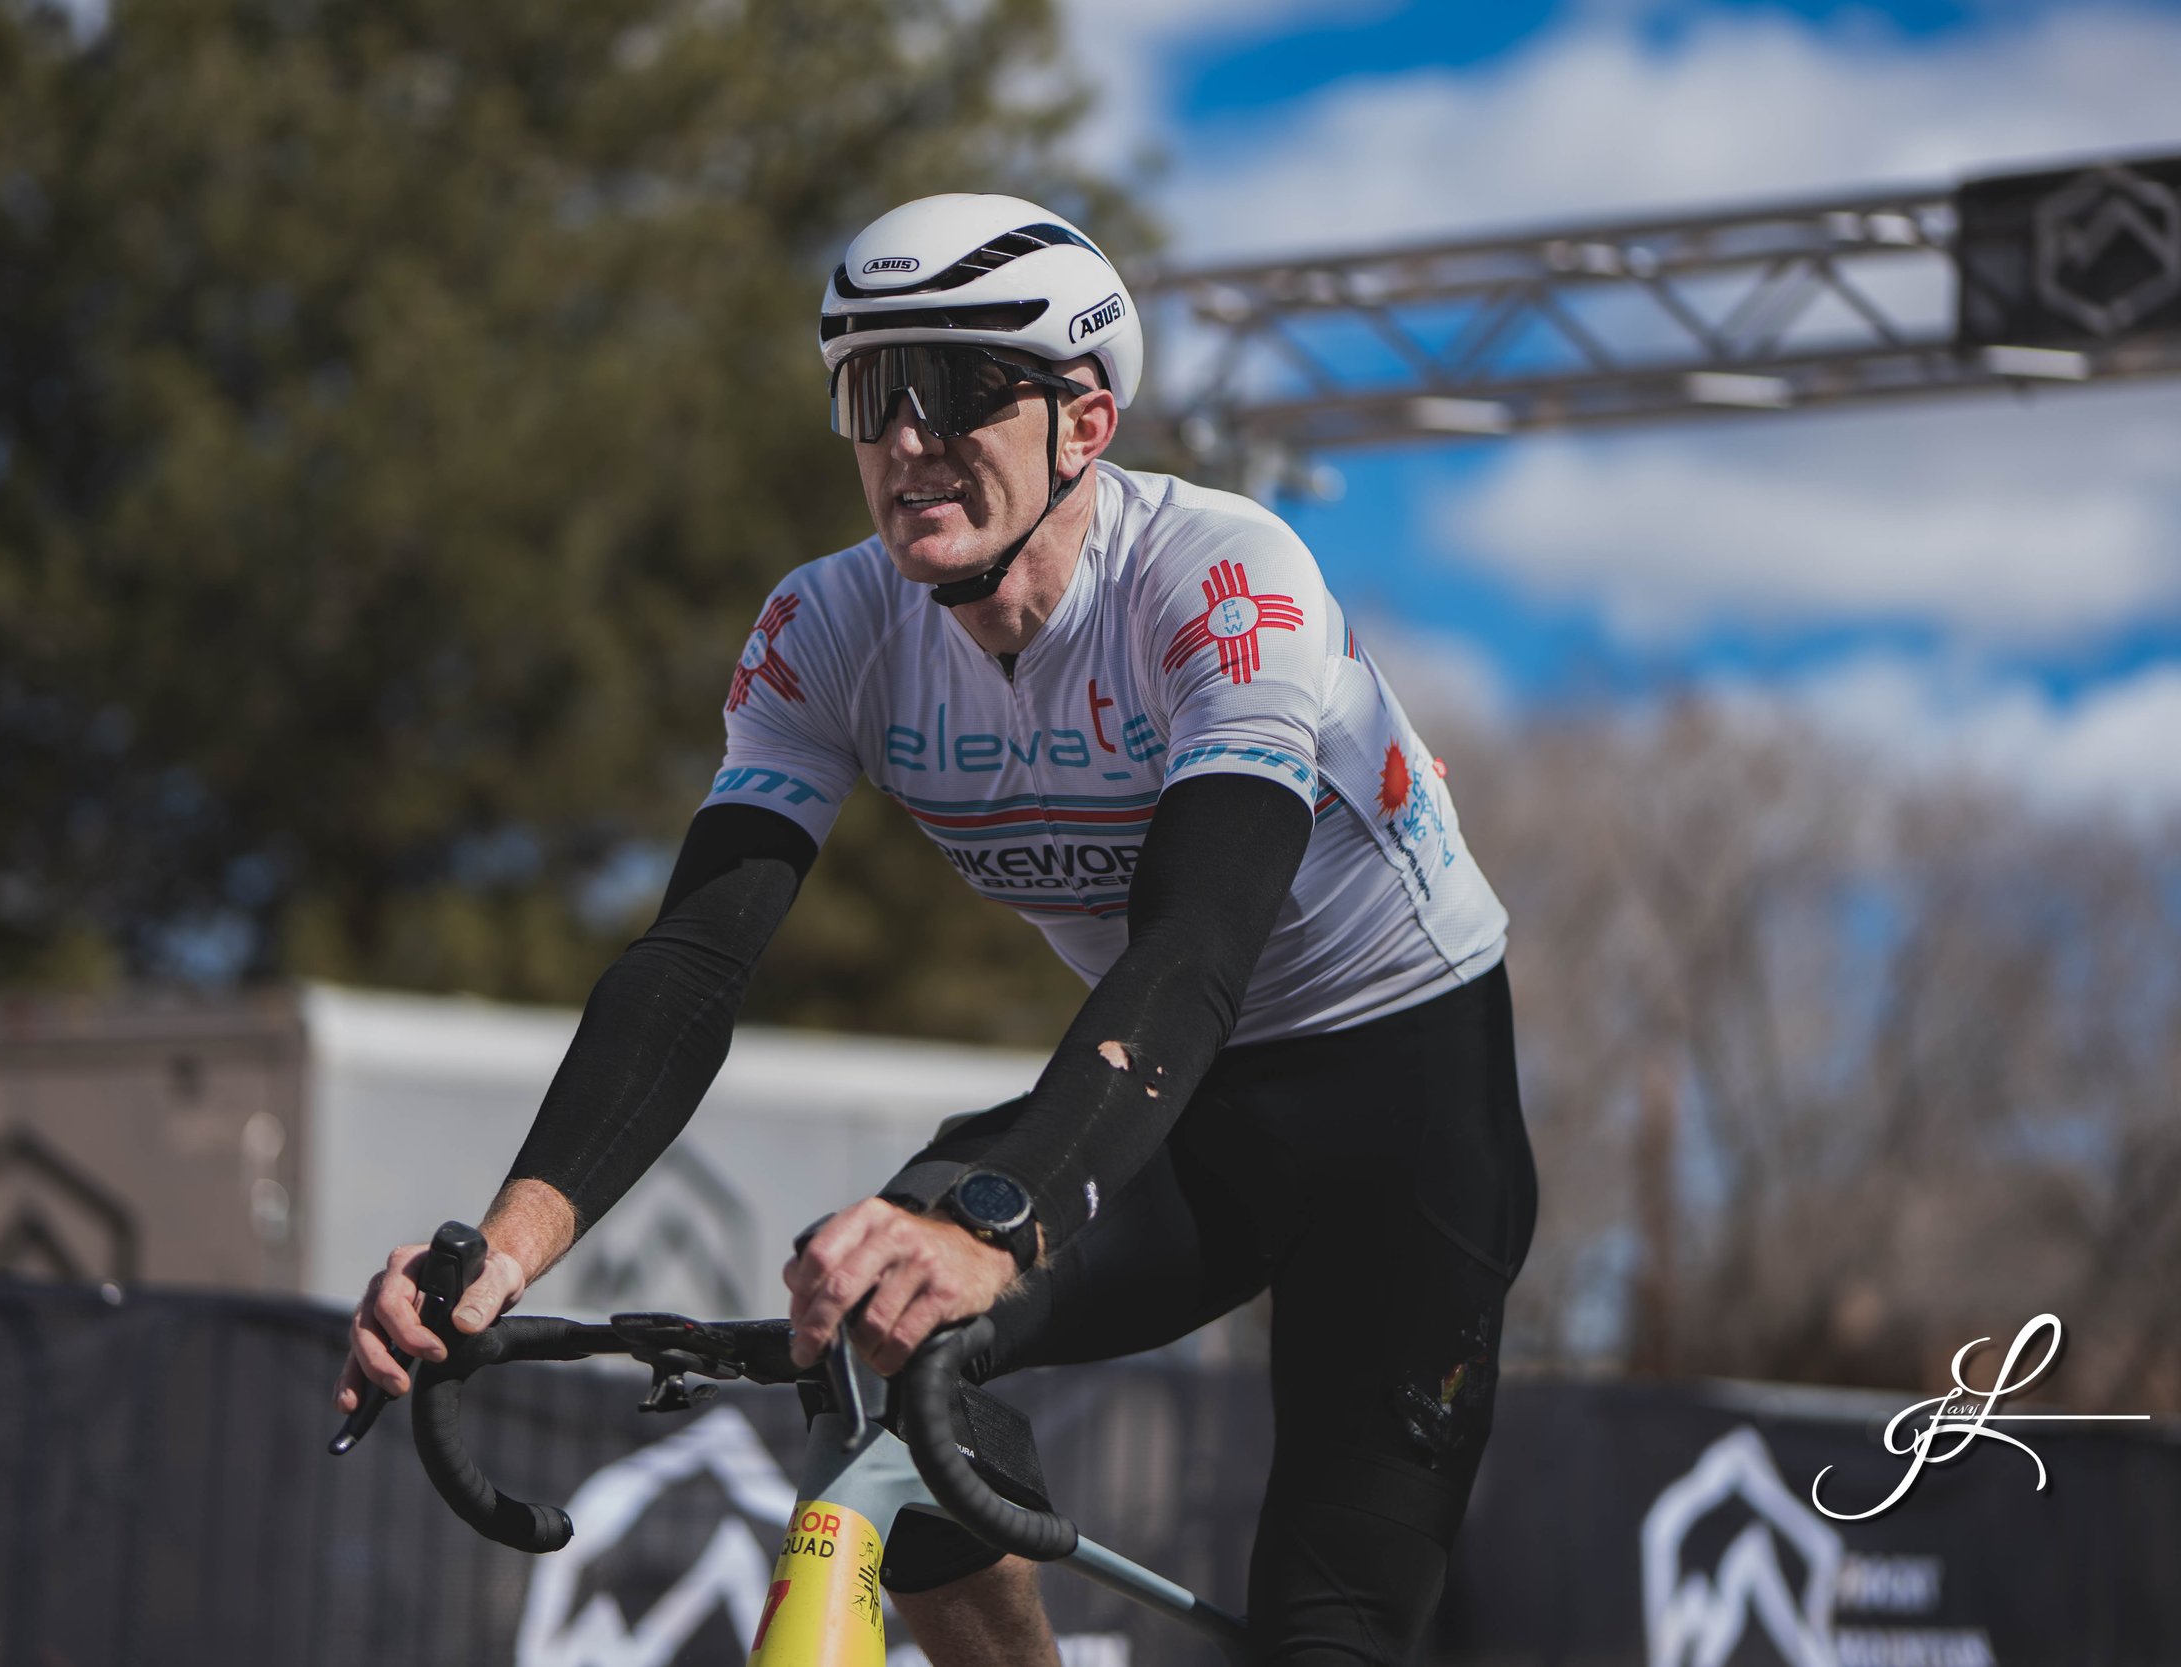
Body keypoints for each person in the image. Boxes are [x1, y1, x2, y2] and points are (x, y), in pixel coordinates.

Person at [334, 193, 1539, 1666]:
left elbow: (1196, 950)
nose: (906, 439)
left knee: (1327, 1629)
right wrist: (504, 1252)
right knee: (872, 1316)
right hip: (1182, 1115)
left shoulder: (1226, 583)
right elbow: (694, 967)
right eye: (870, 390)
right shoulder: (825, 629)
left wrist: (1003, 1219)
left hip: (1401, 1113)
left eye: (960, 388)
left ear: (1085, 423)